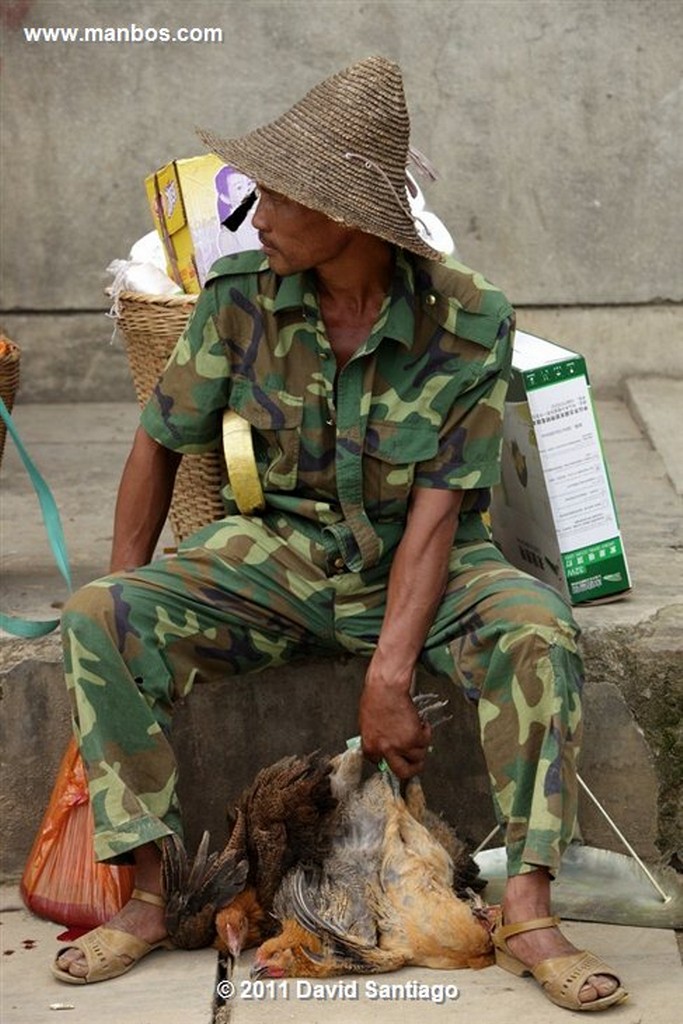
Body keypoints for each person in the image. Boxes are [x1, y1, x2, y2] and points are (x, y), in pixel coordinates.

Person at [52, 56, 626, 1011]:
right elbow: (157, 442)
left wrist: (387, 675)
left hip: (427, 563)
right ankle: (149, 896)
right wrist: (119, 622)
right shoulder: (237, 300)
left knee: (535, 632)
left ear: (346, 215)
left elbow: (441, 508)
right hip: (275, 555)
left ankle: (526, 911)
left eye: (276, 198)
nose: (254, 216)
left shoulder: (467, 317)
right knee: (98, 617)